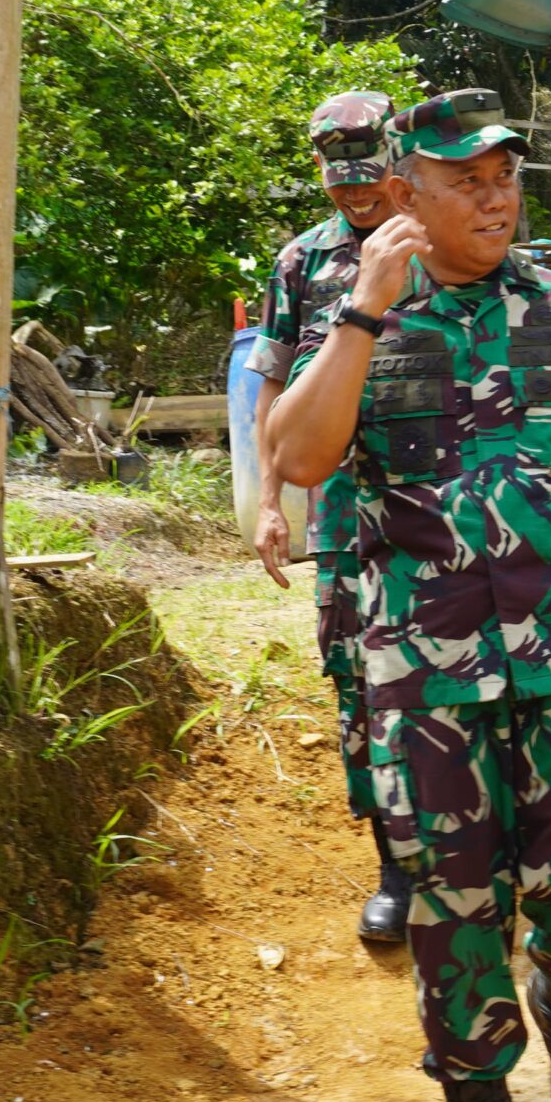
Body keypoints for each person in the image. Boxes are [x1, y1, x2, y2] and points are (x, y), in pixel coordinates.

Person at [262, 90, 551, 1102]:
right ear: (406, 194)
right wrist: (362, 311)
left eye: (505, 175)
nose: (494, 195)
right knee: (451, 898)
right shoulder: (359, 317)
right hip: (422, 666)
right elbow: (299, 458)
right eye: (466, 179)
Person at [245, 90, 411, 944]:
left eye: (370, 178)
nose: (356, 196)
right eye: (339, 183)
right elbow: (269, 382)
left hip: (440, 498)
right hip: (344, 507)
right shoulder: (301, 263)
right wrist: (270, 500)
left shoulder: (439, 239)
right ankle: (395, 866)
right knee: (356, 675)